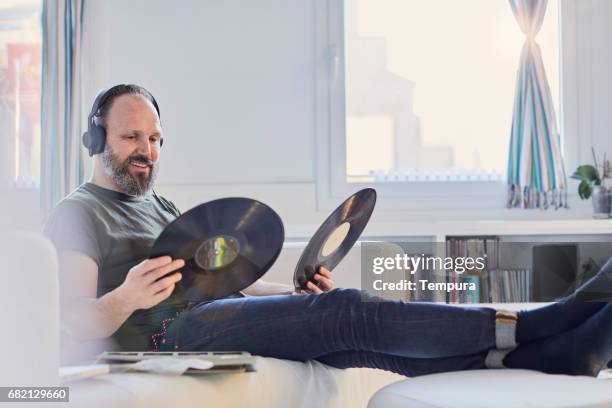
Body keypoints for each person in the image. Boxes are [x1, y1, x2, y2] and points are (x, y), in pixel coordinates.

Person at [44, 84, 612, 378]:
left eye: (156, 139)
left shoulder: (159, 202)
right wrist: (124, 297)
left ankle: (546, 357)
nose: (147, 151)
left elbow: (215, 288)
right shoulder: (79, 213)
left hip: (200, 317)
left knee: (353, 343)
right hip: (165, 341)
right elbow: (72, 321)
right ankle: (545, 321)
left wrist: (287, 296)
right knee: (347, 311)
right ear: (97, 141)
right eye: (131, 138)